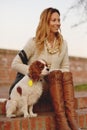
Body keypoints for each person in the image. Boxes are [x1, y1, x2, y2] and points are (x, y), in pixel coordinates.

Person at [9, 7, 80, 130]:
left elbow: (65, 67)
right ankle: (62, 122)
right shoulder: (34, 42)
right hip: (33, 86)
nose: (58, 23)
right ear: (45, 22)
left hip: (52, 85)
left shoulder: (63, 44)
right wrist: (35, 72)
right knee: (56, 74)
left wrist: (52, 72)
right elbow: (15, 63)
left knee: (64, 74)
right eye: (53, 20)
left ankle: (71, 119)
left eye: (58, 20)